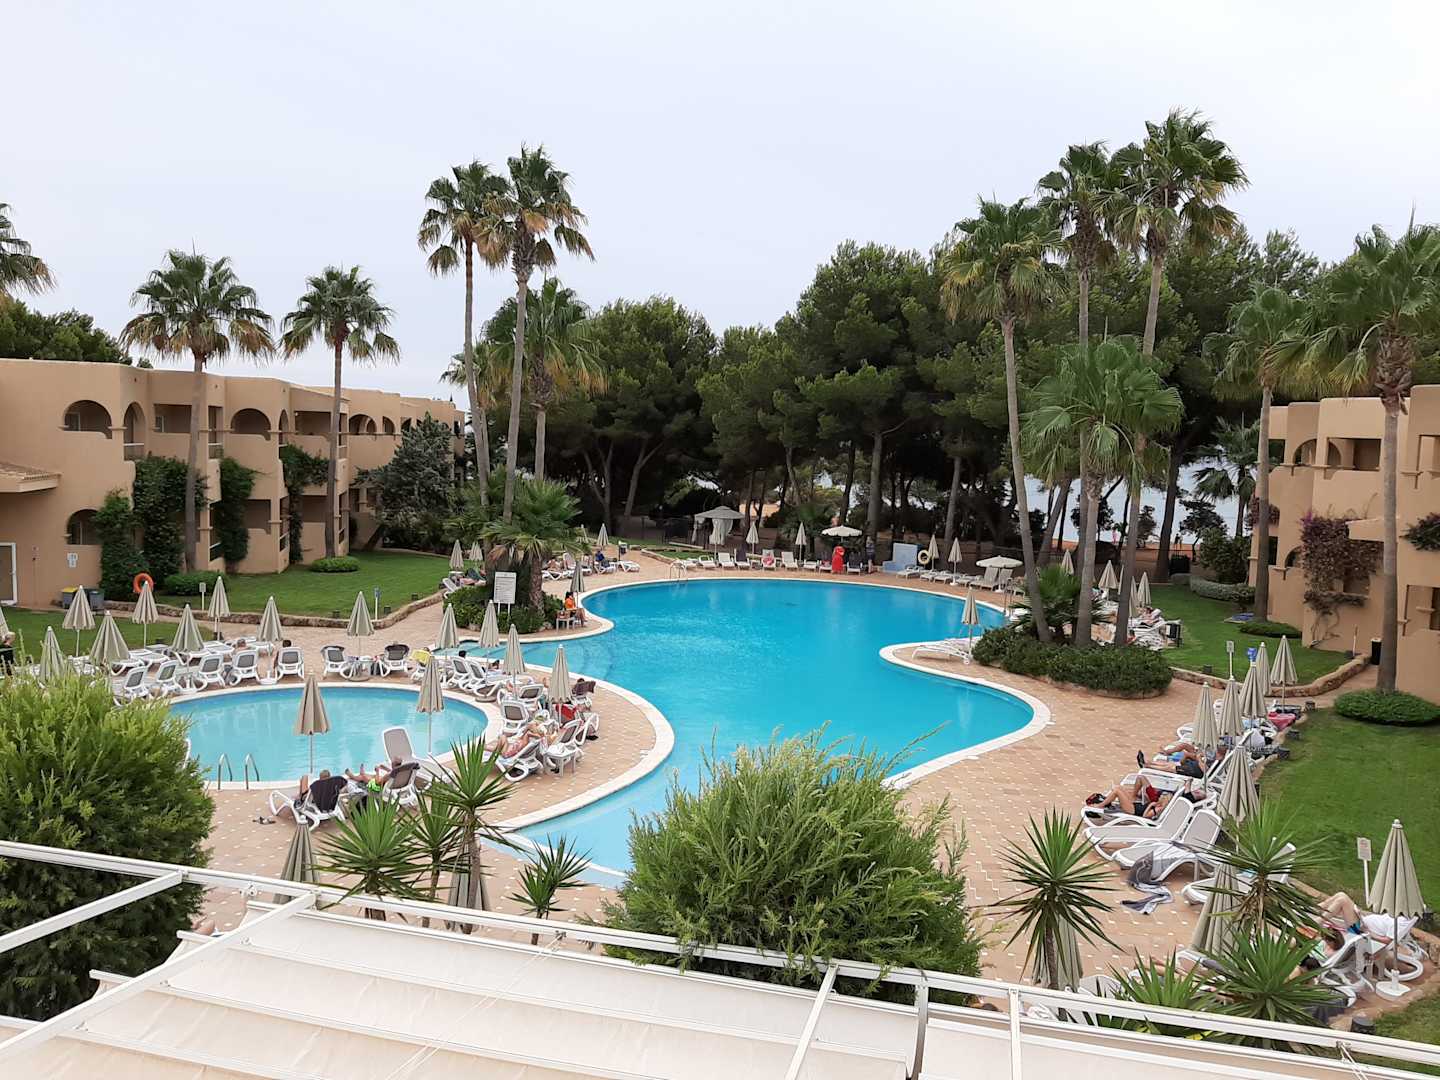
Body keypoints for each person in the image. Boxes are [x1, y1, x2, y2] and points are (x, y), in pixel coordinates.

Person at [1320, 891, 1419, 944]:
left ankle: (1318, 921)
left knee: (1342, 900)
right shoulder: (1400, 914)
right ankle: (1314, 909)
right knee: (1341, 895)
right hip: (1361, 921)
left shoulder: (1401, 922)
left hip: (1359, 931)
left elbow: (1387, 941)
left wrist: (1368, 932)